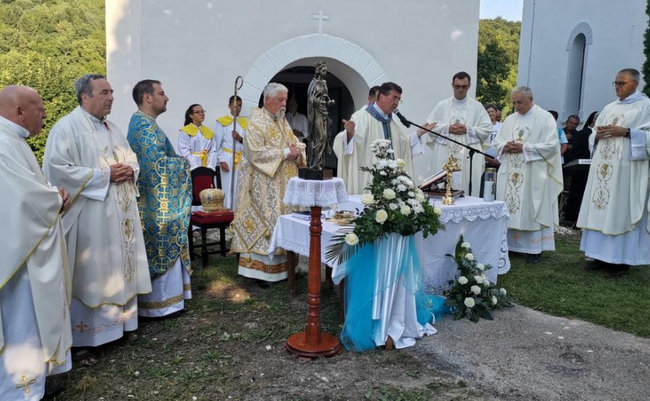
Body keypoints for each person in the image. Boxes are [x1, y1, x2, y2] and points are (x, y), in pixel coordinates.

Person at [43, 74, 151, 352]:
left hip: (121, 215)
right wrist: (104, 175)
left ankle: (123, 324)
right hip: (92, 216)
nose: (111, 97)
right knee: (96, 271)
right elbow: (57, 170)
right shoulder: (66, 128)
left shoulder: (113, 127)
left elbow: (131, 158)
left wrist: (130, 170)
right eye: (104, 92)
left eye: (111, 92)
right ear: (85, 96)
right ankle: (91, 335)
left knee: (119, 266)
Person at [0, 85, 72, 400]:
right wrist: (55, 198)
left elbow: (30, 189)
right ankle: (20, 389)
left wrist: (51, 194)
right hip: (16, 257)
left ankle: (36, 379)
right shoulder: (3, 143)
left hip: (24, 248)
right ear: (20, 112)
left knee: (31, 316)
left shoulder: (15, 141)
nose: (44, 114)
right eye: (39, 109)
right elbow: (21, 200)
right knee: (21, 319)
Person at [127, 79, 193, 317]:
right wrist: (182, 165)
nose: (166, 98)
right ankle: (161, 304)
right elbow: (156, 166)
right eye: (161, 93)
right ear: (147, 97)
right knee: (160, 244)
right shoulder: (143, 126)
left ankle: (171, 300)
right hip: (155, 203)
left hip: (159, 200)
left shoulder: (147, 123)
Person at [230, 83, 306, 285]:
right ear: (267, 100)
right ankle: (262, 272)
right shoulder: (256, 122)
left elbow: (294, 142)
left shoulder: (282, 121)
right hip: (263, 185)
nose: (284, 104)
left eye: (285, 100)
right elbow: (254, 153)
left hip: (284, 184)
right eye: (280, 100)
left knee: (285, 221)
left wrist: (298, 150)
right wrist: (286, 152)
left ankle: (288, 268)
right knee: (268, 223)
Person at [577, 68, 650, 275]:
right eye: (615, 83)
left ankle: (619, 261)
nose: (617, 87)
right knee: (600, 209)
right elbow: (593, 134)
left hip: (626, 171)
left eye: (621, 83)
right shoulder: (609, 107)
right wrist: (597, 135)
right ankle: (598, 256)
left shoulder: (646, 106)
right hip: (603, 171)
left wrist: (626, 132)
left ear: (635, 84)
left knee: (619, 211)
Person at [493, 86, 563, 264]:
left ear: (531, 99)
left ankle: (533, 249)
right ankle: (509, 246)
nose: (517, 106)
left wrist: (524, 147)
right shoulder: (510, 119)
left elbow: (552, 146)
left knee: (532, 208)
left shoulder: (545, 118)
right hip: (510, 171)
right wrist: (505, 146)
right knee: (510, 206)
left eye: (520, 103)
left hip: (533, 173)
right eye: (514, 103)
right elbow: (497, 141)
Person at [333, 82, 428, 195]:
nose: (396, 103)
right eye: (394, 98)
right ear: (381, 97)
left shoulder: (393, 122)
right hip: (370, 179)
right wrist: (349, 134)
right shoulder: (362, 117)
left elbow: (403, 145)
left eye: (399, 99)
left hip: (391, 182)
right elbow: (346, 144)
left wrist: (418, 134)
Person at [421, 72, 493, 196]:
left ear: (469, 86)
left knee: (466, 186)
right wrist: (447, 128)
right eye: (457, 86)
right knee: (443, 188)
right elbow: (429, 126)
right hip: (445, 152)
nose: (460, 89)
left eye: (463, 86)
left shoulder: (477, 107)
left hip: (467, 155)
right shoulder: (442, 105)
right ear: (452, 85)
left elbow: (487, 128)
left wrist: (468, 130)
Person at [215, 95, 247, 210]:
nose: (237, 108)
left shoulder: (245, 123)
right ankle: (227, 210)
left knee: (239, 185)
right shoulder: (222, 122)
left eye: (239, 106)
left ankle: (237, 211)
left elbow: (249, 143)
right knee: (228, 185)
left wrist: (240, 138)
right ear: (229, 106)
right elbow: (217, 144)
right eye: (234, 106)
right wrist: (221, 160)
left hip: (241, 157)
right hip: (227, 156)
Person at [563, 113, 593, 224]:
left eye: (575, 124)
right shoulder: (559, 132)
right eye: (570, 123)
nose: (572, 125)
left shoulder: (578, 134)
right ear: (566, 122)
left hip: (574, 166)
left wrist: (569, 146)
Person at [307, 61, 335, 169]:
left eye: (326, 71)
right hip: (316, 113)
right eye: (324, 70)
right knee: (320, 137)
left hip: (324, 112)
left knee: (325, 137)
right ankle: (314, 163)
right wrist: (317, 101)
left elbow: (326, 97)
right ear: (318, 71)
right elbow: (310, 99)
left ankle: (320, 163)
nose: (325, 72)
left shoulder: (324, 83)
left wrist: (329, 102)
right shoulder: (313, 83)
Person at [178, 104, 217, 172]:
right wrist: (194, 167)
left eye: (202, 111)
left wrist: (211, 166)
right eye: (197, 112)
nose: (201, 114)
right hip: (191, 167)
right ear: (191, 115)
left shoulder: (209, 132)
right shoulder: (185, 131)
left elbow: (213, 151)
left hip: (207, 166)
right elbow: (184, 151)